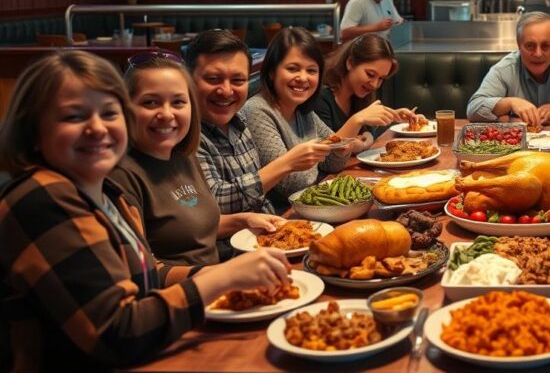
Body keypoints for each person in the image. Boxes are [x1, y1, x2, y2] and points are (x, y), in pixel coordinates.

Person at [0, 51, 290, 373]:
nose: (97, 128)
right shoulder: (41, 198)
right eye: (73, 116)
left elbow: (148, 272)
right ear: (32, 127)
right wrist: (219, 279)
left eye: (109, 113)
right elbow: (117, 333)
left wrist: (236, 273)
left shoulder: (106, 193)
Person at [109, 52, 285, 265]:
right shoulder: (121, 177)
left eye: (178, 102)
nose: (166, 114)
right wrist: (224, 275)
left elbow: (194, 227)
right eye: (150, 102)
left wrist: (244, 220)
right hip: (187, 291)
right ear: (124, 109)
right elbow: (146, 272)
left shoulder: (184, 155)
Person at [186, 30, 337, 216]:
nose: (226, 91)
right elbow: (214, 202)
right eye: (213, 79)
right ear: (188, 80)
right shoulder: (186, 133)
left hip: (272, 227)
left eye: (237, 80)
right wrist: (288, 163)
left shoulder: (239, 123)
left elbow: (334, 155)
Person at [241, 27, 365, 212]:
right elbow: (291, 185)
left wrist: (340, 150)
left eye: (311, 70)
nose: (303, 78)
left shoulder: (303, 110)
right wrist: (356, 122)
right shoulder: (257, 110)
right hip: (282, 216)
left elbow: (333, 163)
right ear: (272, 72)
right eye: (293, 69)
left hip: (312, 206)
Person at [313, 33, 419, 138]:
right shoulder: (320, 97)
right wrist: (357, 120)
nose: (374, 84)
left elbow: (369, 132)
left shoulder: (360, 93)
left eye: (381, 78)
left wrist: (392, 117)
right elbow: (327, 149)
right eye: (370, 74)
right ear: (350, 63)